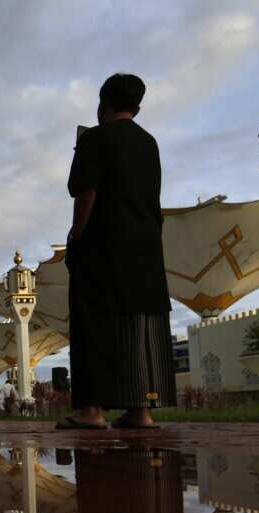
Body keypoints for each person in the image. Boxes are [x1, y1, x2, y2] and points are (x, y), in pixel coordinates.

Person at [60, 73, 175, 431]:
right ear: (137, 107)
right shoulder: (149, 142)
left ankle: (91, 411)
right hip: (145, 245)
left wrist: (77, 238)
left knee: (93, 322)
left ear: (102, 104)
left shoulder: (94, 139)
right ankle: (141, 410)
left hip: (103, 245)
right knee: (141, 324)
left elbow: (86, 193)